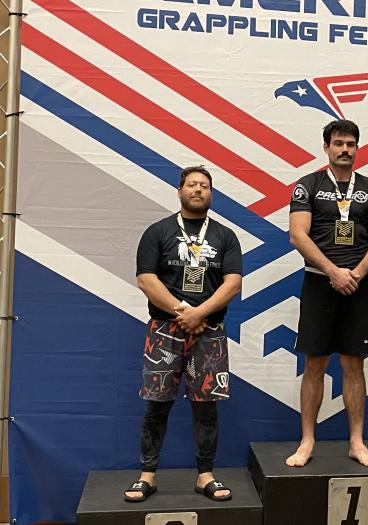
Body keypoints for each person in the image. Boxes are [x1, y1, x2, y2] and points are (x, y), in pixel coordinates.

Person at [124, 166, 242, 503]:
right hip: (165, 330)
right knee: (157, 404)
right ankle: (147, 476)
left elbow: (233, 283)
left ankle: (205, 476)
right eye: (192, 184)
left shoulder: (225, 236)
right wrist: (184, 313)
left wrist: (200, 314)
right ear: (179, 191)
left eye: (204, 185)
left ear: (211, 194)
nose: (198, 189)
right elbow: (146, 279)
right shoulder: (158, 232)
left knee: (206, 407)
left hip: (209, 332)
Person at [285, 119, 368, 468]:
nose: (344, 150)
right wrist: (333, 272)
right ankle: (307, 441)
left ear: (357, 148)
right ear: (326, 148)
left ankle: (357, 442)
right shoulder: (307, 185)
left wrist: (355, 274)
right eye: (338, 144)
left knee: (353, 364)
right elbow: (298, 235)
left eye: (350, 144)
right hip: (319, 283)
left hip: (357, 286)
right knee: (314, 363)